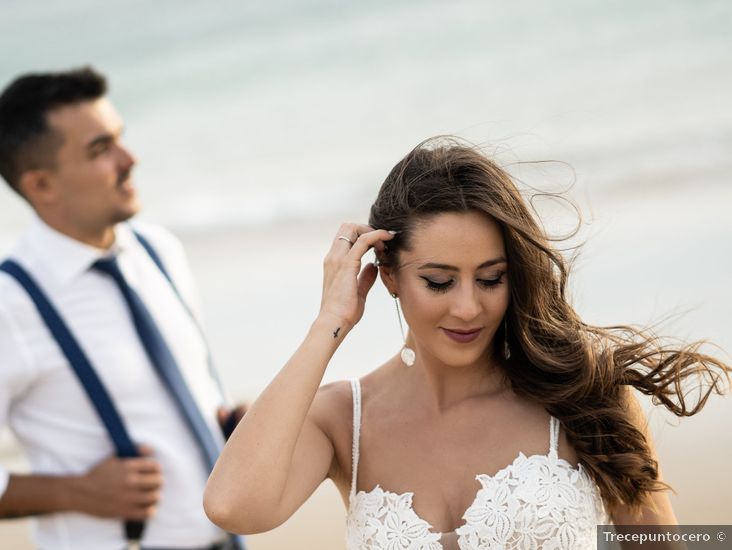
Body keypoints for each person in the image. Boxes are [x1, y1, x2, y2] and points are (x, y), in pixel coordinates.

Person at [203, 138, 732, 549]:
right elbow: (233, 506)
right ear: (386, 273)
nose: (467, 307)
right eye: (438, 281)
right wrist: (328, 326)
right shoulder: (345, 420)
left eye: (490, 278)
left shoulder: (581, 389)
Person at [0, 67, 242, 550]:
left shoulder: (159, 251)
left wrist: (228, 427)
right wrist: (75, 491)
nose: (130, 159)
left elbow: (174, 399)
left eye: (120, 138)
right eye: (101, 150)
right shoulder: (2, 310)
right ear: (41, 185)